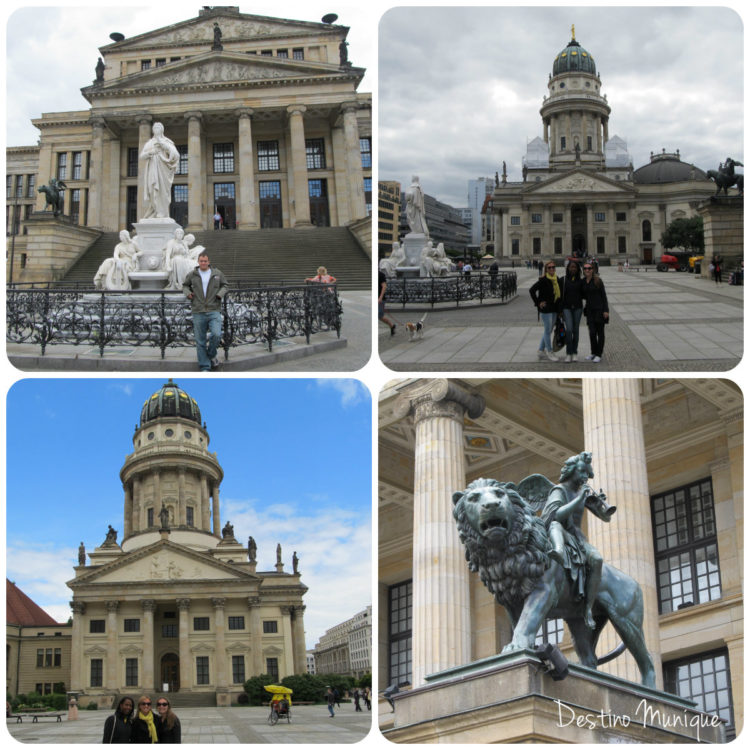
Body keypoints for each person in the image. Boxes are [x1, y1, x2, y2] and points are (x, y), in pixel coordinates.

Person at [542, 452, 613, 629]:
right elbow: (555, 515)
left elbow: (606, 518)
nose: (584, 477)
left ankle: (587, 608)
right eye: (581, 472)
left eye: (586, 473)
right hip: (558, 532)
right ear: (572, 471)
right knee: (556, 526)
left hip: (577, 539)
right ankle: (558, 552)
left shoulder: (582, 491)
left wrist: (602, 508)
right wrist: (580, 500)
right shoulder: (560, 490)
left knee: (596, 559)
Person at [182, 252, 229, 372]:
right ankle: (205, 366)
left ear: (208, 262)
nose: (203, 263)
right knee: (200, 340)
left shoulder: (217, 273)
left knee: (216, 334)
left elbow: (225, 285)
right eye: (201, 261)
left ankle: (211, 354)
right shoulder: (192, 274)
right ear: (198, 262)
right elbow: (185, 286)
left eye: (205, 261)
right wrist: (188, 293)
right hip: (198, 310)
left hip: (213, 309)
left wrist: (220, 294)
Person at [140, 123, 180, 219]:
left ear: (162, 130)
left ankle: (162, 213)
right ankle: (155, 212)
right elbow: (141, 156)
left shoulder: (167, 141)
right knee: (152, 189)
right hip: (152, 169)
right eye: (154, 128)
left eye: (158, 128)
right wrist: (150, 152)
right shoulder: (149, 143)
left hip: (164, 171)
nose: (156, 129)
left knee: (163, 192)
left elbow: (176, 155)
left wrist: (164, 146)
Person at [529, 260, 561, 361]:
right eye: (549, 267)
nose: (551, 269)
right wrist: (538, 302)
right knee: (547, 331)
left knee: (549, 330)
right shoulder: (543, 280)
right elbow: (532, 290)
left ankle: (540, 350)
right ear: (546, 269)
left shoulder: (556, 279)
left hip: (554, 308)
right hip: (546, 309)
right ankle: (549, 351)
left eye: (553, 267)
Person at [581, 261, 609, 363]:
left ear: (593, 270)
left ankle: (599, 354)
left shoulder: (598, 281)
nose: (587, 270)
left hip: (599, 310)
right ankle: (593, 352)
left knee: (600, 333)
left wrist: (606, 310)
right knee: (592, 332)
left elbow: (604, 296)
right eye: (585, 268)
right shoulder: (583, 281)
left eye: (589, 268)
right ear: (583, 270)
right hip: (589, 311)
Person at [560, 259, 584, 363]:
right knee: (569, 329)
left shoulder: (581, 281)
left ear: (578, 269)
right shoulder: (563, 280)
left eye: (575, 267)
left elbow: (588, 291)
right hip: (566, 308)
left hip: (578, 308)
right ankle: (568, 352)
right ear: (568, 268)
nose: (573, 269)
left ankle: (574, 352)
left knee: (576, 330)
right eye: (571, 267)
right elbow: (555, 290)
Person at [378, 270, 397, 335]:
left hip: (380, 299)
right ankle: (392, 326)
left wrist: (380, 297)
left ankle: (391, 325)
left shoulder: (380, 274)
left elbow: (384, 286)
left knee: (379, 316)